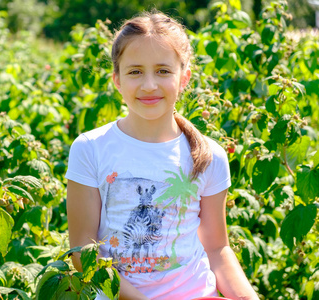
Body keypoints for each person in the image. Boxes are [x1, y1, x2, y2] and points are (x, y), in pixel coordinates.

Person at [65, 11, 259, 300]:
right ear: (117, 79)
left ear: (184, 78)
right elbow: (83, 251)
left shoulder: (210, 156)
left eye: (163, 71)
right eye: (135, 71)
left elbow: (217, 248)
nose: (149, 85)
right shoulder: (91, 148)